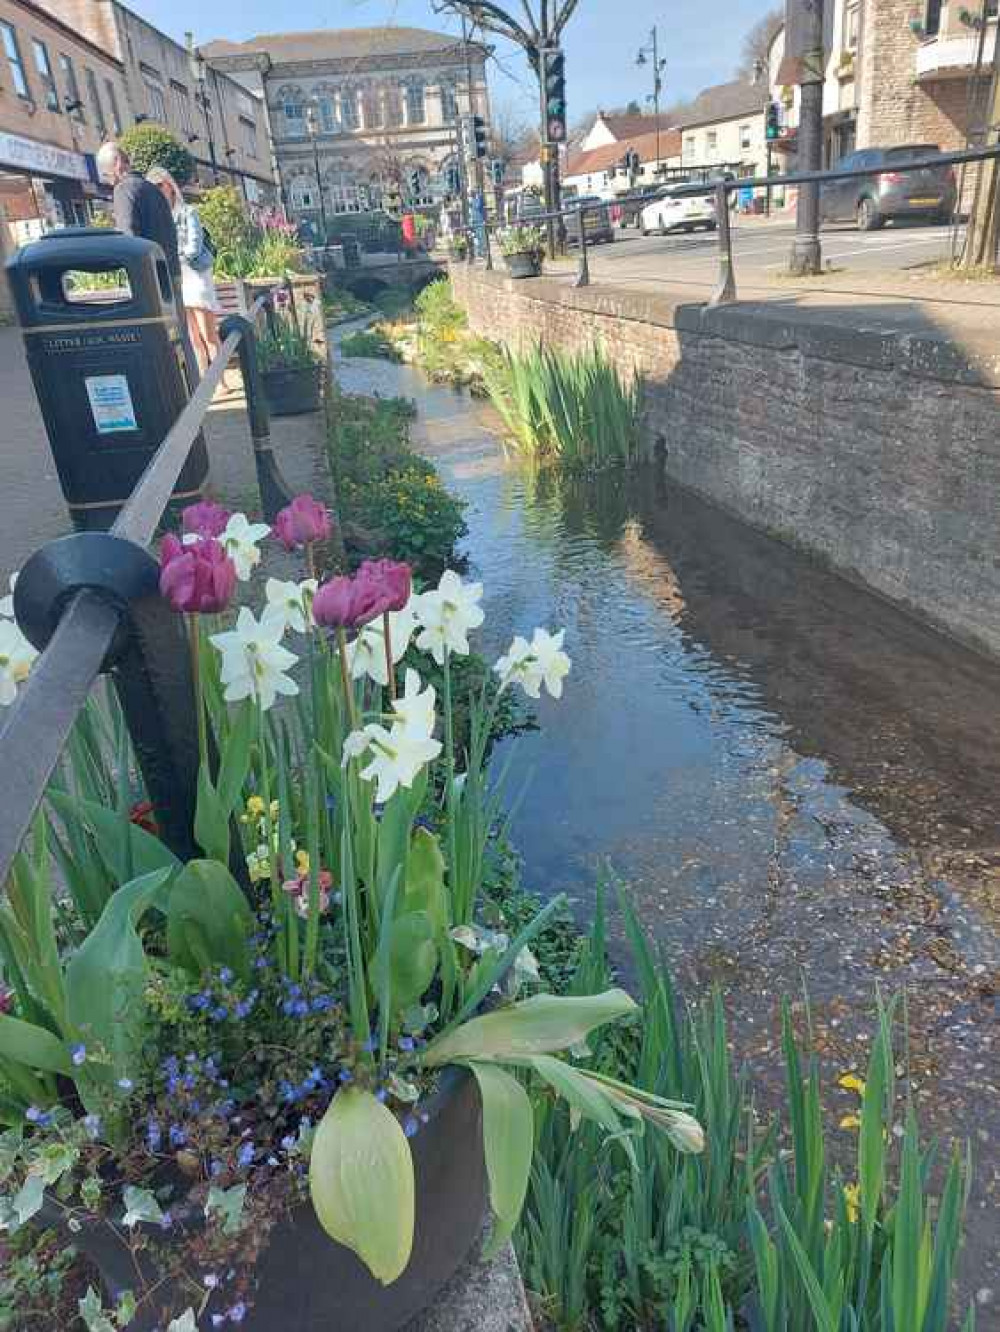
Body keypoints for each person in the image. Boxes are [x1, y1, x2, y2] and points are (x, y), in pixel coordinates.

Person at [96, 140, 199, 383]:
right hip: (170, 273)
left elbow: (128, 240)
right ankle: (191, 387)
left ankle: (172, 394)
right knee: (179, 339)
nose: (107, 179)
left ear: (118, 163)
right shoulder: (152, 189)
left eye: (106, 172)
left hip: (149, 280)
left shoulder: (124, 190)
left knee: (159, 345)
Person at [145, 165, 223, 376]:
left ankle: (219, 380)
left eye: (158, 186)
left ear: (168, 185)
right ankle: (204, 380)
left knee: (208, 334)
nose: (156, 192)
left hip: (195, 276)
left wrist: (173, 257)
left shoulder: (188, 213)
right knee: (192, 337)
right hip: (178, 278)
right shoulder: (161, 218)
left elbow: (194, 247)